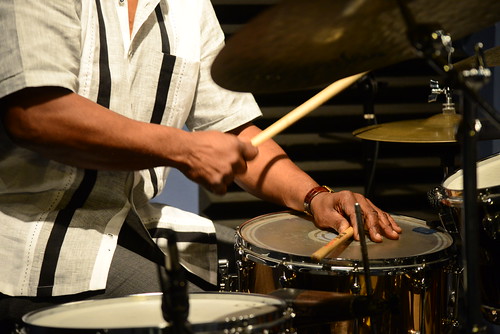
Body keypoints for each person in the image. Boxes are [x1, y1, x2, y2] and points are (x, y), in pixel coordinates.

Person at [0, 0, 402, 331]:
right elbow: (37, 114)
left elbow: (236, 133)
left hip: (132, 222)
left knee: (274, 277)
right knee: (234, 321)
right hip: (31, 236)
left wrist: (314, 196)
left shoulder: (189, 8)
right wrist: (185, 148)